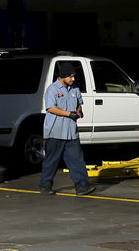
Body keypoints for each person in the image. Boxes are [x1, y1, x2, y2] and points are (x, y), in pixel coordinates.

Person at [38, 62, 96, 195]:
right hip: (55, 131)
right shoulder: (52, 89)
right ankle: (45, 185)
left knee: (77, 160)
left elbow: (79, 103)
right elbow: (51, 108)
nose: (73, 79)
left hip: (71, 132)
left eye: (74, 76)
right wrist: (69, 114)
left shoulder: (75, 88)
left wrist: (78, 111)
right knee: (52, 160)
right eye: (70, 76)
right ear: (63, 76)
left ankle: (82, 186)